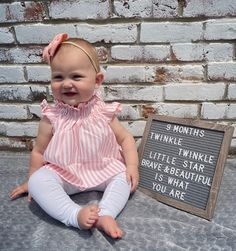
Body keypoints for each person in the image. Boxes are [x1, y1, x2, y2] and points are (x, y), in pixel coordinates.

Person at [9, 33, 139, 239]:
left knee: (125, 179)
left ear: (97, 80)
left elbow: (125, 138)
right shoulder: (51, 117)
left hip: (103, 169)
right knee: (39, 181)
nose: (66, 84)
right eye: (58, 77)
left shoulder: (103, 111)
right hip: (65, 173)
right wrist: (31, 179)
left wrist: (132, 167)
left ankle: (106, 214)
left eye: (76, 77)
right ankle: (74, 214)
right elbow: (39, 151)